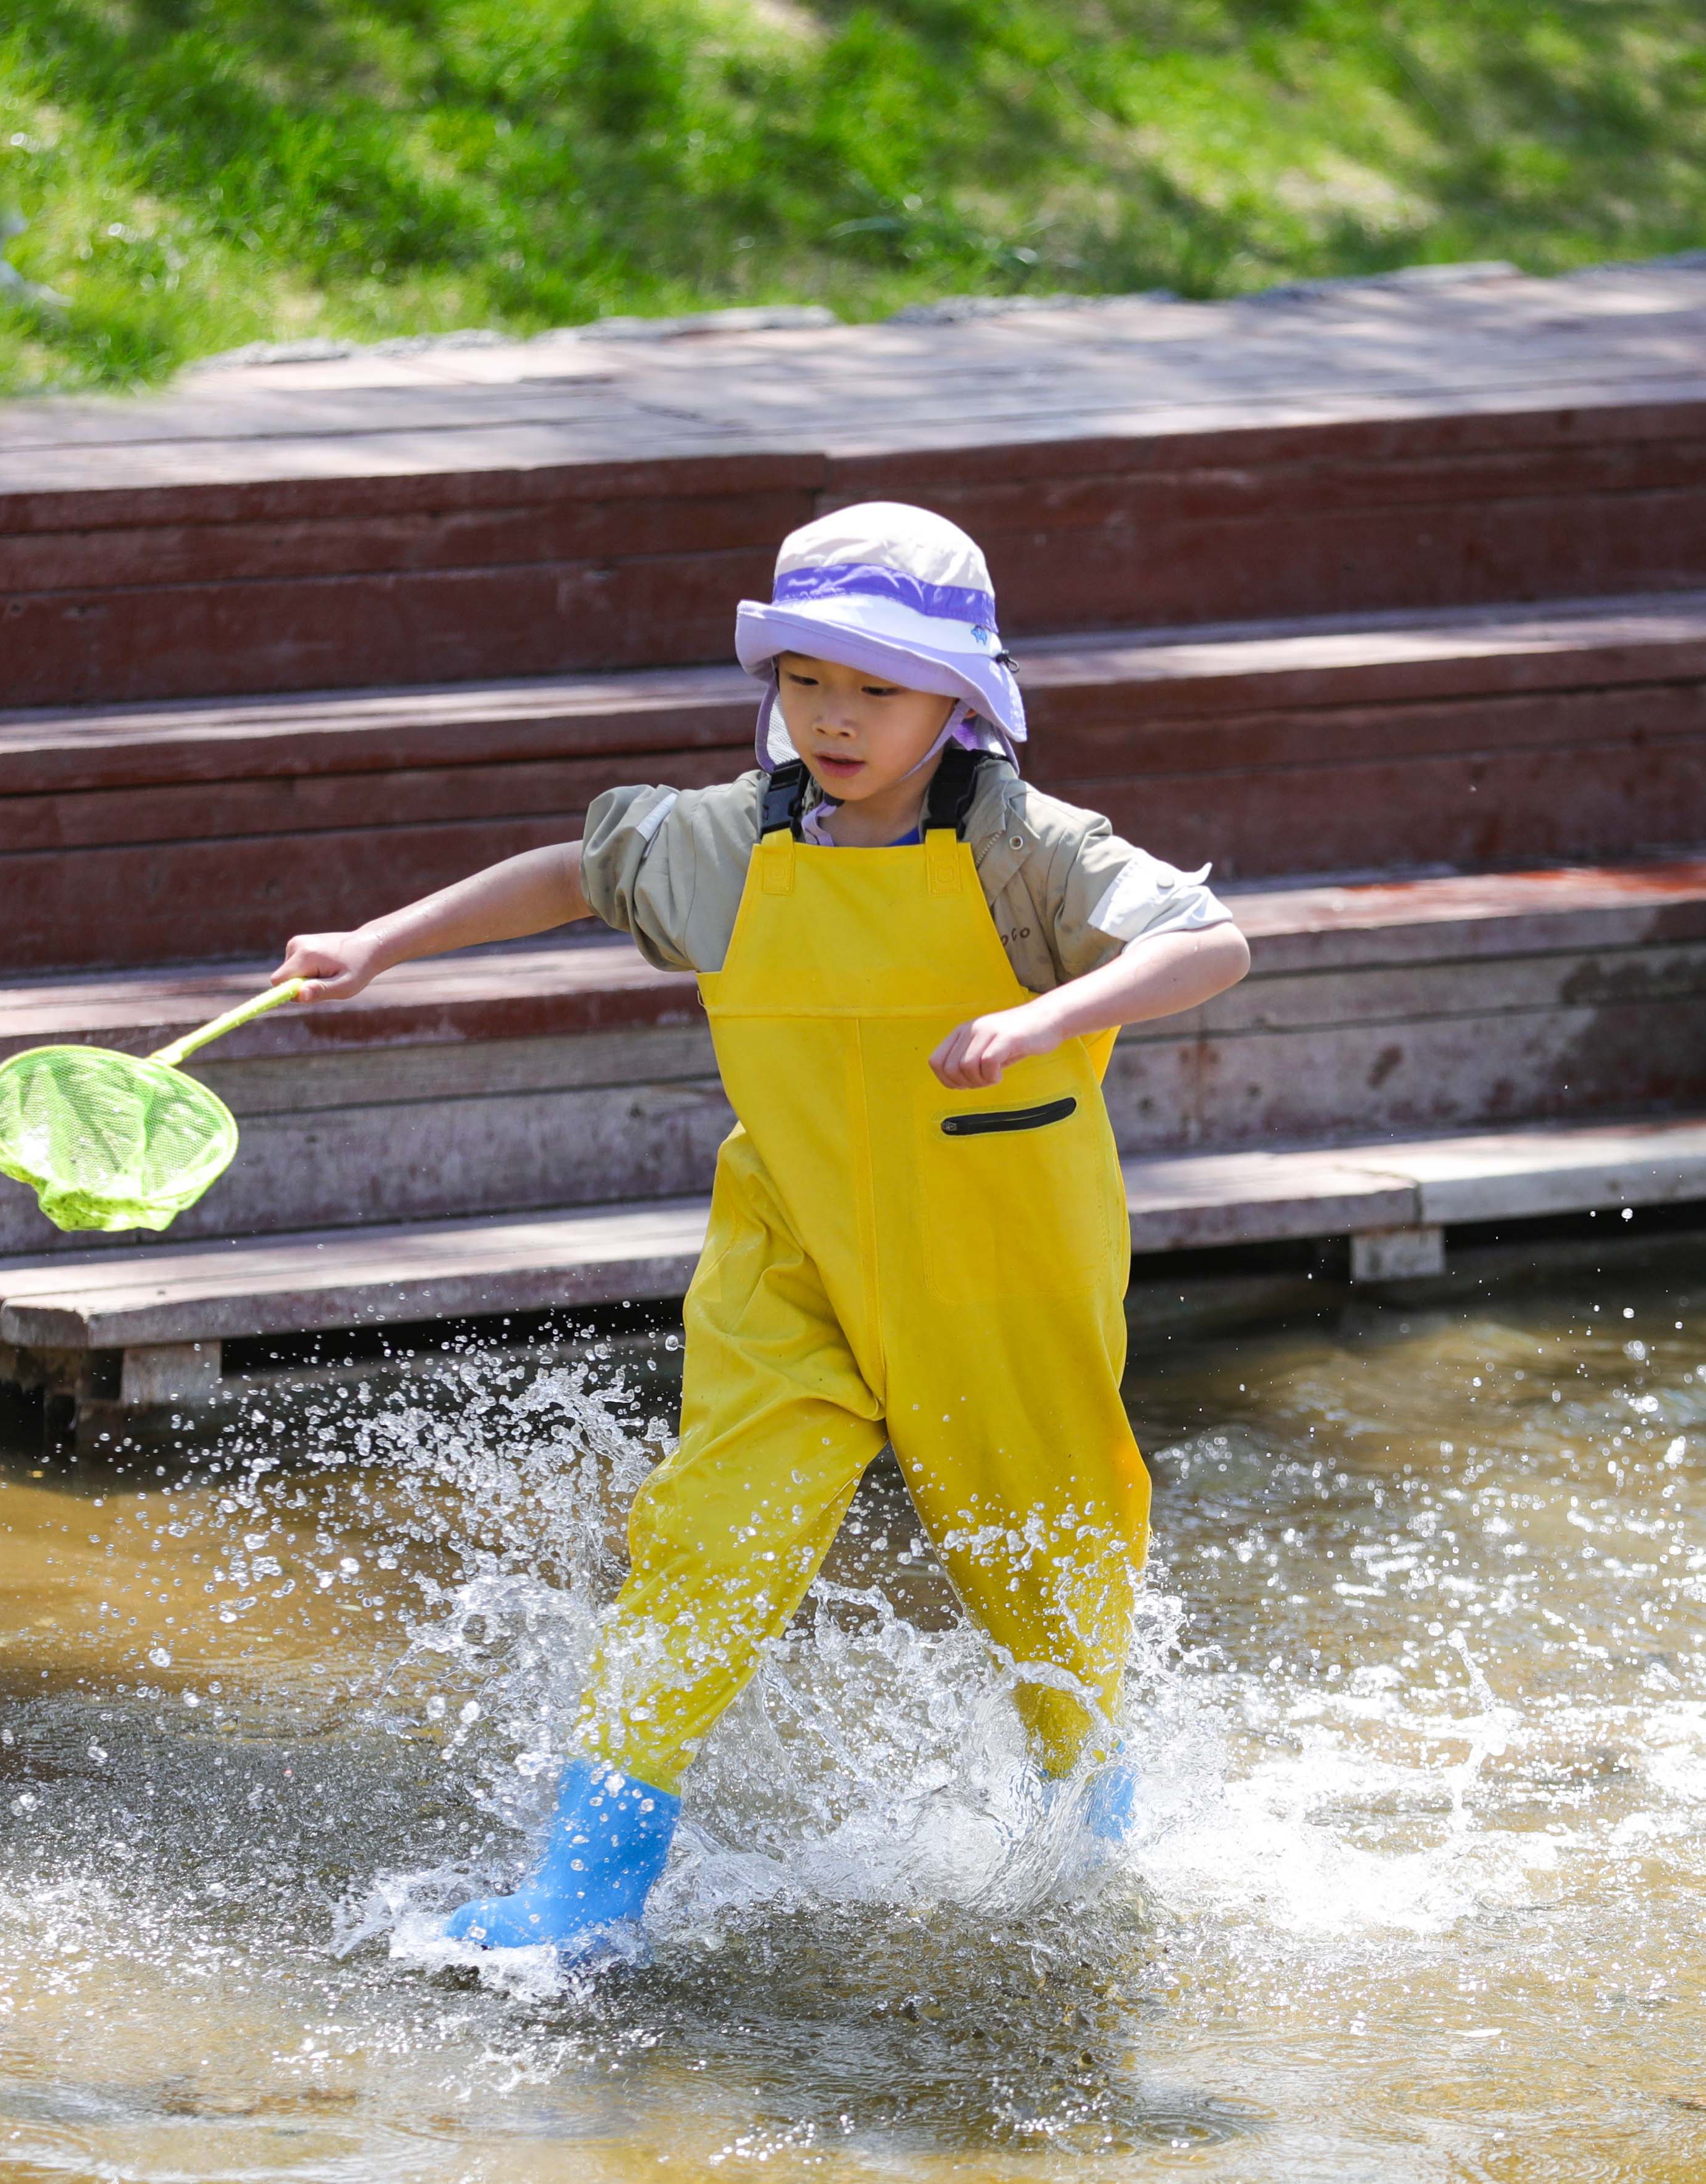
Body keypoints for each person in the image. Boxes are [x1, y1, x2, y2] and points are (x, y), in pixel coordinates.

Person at [274, 503, 1252, 1972]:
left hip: (1000, 1271)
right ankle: (583, 1895)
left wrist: (1045, 1012)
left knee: (1048, 1570)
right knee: (702, 1550)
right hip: (786, 1256)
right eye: (808, 683)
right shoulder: (732, 839)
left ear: (961, 702)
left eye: (878, 690)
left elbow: (1208, 943)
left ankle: (1093, 1859)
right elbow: (569, 871)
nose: (836, 719)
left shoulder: (1030, 853)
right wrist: (378, 944)